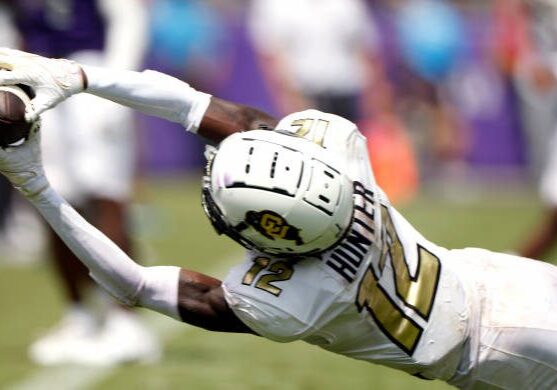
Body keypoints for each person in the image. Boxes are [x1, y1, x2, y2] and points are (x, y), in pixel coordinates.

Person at [0, 49, 557, 389]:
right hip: (498, 278)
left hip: (500, 351)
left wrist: (36, 185)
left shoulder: (289, 300)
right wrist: (78, 77)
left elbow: (137, 285)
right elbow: (227, 116)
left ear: (271, 234)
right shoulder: (337, 150)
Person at [0, 0, 160, 365]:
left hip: (91, 68)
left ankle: (126, 322)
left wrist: (120, 86)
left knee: (107, 195)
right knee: (48, 196)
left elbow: (127, 17)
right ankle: (80, 315)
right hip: (33, 75)